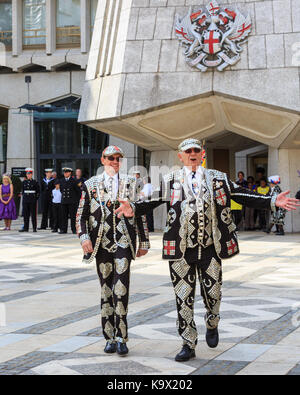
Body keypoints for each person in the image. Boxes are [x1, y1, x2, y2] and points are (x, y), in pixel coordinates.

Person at [116, 138, 300, 362]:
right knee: (183, 298)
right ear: (180, 156)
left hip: (211, 249)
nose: (192, 154)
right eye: (188, 151)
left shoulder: (218, 178)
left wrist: (272, 201)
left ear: (202, 154)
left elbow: (241, 194)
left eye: (196, 150)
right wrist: (132, 208)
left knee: (213, 295)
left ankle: (212, 322)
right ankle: (188, 343)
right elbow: (151, 201)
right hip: (180, 250)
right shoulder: (170, 180)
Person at [76, 145, 150, 356]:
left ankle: (122, 337)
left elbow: (141, 213)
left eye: (118, 158)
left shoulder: (131, 183)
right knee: (106, 290)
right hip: (101, 245)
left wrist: (143, 242)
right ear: (103, 160)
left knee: (121, 289)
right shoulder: (90, 185)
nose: (115, 162)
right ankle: (108, 336)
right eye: (110, 158)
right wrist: (84, 239)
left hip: (123, 242)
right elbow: (80, 215)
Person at [59, 168, 80, 234]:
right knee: (63, 216)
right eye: (64, 172)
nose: (65, 174)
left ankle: (74, 229)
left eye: (66, 172)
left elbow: (78, 191)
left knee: (73, 216)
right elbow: (61, 190)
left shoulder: (74, 181)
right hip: (64, 201)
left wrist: (76, 200)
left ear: (70, 173)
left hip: (72, 201)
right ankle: (63, 229)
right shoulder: (62, 180)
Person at [19, 168, 40, 233]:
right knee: (26, 215)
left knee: (33, 215)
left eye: (30, 174)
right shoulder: (24, 182)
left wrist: (35, 199)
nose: (28, 175)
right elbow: (23, 191)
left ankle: (34, 228)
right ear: (26, 175)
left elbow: (38, 192)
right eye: (27, 174)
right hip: (25, 200)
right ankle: (26, 228)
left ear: (32, 174)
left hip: (32, 200)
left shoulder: (35, 182)